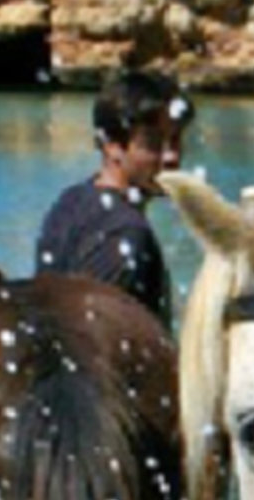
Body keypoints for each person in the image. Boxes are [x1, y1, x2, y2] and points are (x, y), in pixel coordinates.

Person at [36, 71, 193, 325]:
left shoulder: (72, 201)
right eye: (153, 143)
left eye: (175, 140)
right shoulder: (127, 233)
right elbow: (90, 337)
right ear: (112, 146)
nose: (171, 157)